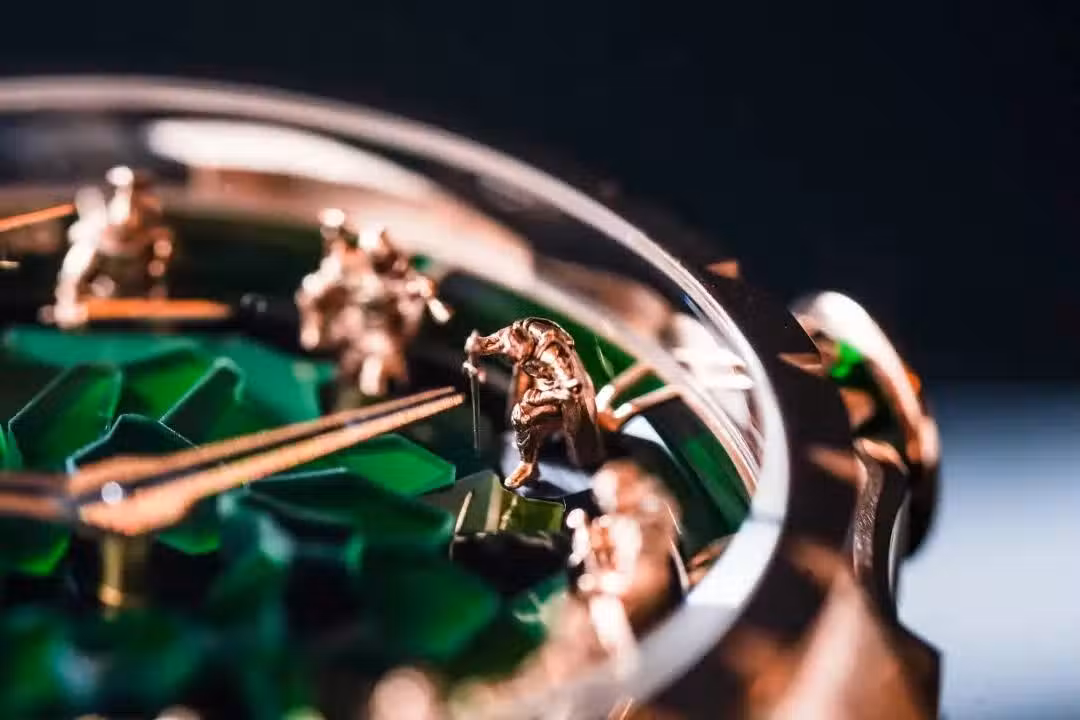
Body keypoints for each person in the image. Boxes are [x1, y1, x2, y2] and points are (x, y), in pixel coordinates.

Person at [296, 211, 449, 397]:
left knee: (370, 382)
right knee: (339, 367)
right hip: (359, 326)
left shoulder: (399, 283)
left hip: (376, 336)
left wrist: (420, 291)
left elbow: (410, 301)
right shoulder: (356, 271)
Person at [464, 317, 602, 487]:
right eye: (513, 358)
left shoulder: (551, 353)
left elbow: (570, 388)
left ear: (528, 345)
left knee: (525, 416)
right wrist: (474, 356)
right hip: (540, 384)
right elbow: (481, 344)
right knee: (519, 415)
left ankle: (534, 463)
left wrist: (535, 398)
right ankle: (529, 465)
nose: (517, 361)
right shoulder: (508, 337)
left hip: (563, 394)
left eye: (519, 356)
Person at [54, 167, 173, 325]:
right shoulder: (92, 234)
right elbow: (71, 281)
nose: (131, 195)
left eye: (137, 188)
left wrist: (160, 261)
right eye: (126, 189)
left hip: (136, 298)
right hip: (97, 303)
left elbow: (160, 253)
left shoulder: (152, 226)